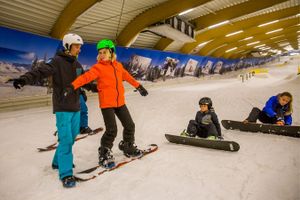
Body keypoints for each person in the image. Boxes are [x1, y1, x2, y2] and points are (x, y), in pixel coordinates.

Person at [13, 33, 88, 188]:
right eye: (76, 46)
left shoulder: (78, 65)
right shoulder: (56, 62)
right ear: (67, 46)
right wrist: (24, 79)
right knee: (66, 139)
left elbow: (84, 81)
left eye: (80, 47)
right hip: (63, 107)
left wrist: (97, 87)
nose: (79, 49)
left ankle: (56, 162)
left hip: (76, 107)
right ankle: (66, 174)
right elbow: (40, 71)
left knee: (71, 137)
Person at [64, 39, 148, 168]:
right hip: (107, 104)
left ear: (111, 52)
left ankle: (128, 145)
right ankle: (104, 152)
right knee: (111, 130)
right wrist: (72, 86)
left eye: (104, 52)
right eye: (100, 52)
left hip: (120, 102)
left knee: (130, 125)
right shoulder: (98, 67)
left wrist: (139, 86)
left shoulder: (118, 66)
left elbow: (128, 77)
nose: (102, 54)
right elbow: (85, 78)